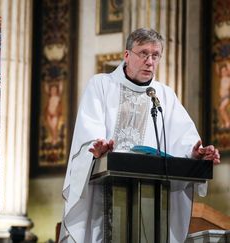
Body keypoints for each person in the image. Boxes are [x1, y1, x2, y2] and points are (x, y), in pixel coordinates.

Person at [59, 28, 220, 243]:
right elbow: (89, 131)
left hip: (152, 196)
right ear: (127, 55)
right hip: (103, 192)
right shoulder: (101, 85)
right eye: (143, 54)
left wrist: (195, 153)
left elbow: (183, 138)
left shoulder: (164, 95)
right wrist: (98, 149)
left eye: (155, 55)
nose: (150, 61)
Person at [217, 62, 230, 128]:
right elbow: (217, 71)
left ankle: (228, 122)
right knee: (221, 110)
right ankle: (224, 123)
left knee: (222, 108)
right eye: (222, 71)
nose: (223, 73)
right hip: (222, 98)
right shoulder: (222, 79)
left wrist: (227, 63)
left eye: (225, 71)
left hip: (226, 97)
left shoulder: (228, 79)